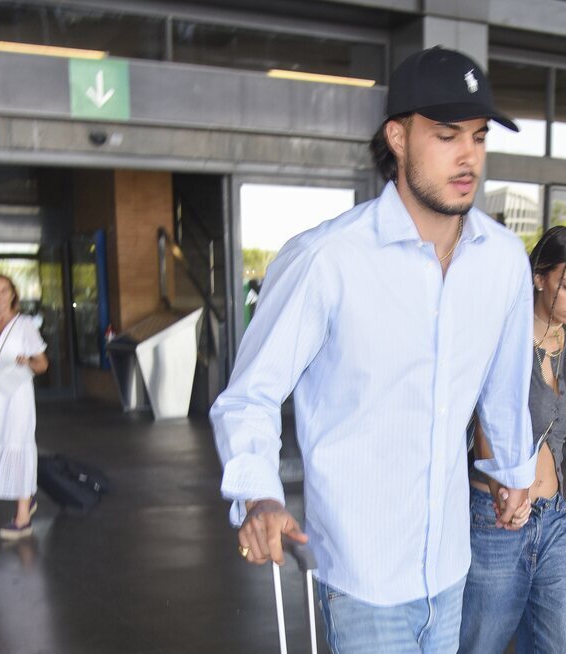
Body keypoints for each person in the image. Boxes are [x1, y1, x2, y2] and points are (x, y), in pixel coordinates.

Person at [210, 46, 537, 652]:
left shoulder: (503, 262)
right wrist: (259, 494)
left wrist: (512, 471)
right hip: (361, 576)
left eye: (478, 136)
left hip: (449, 565)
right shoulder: (326, 260)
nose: (468, 156)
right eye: (445, 135)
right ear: (398, 137)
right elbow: (250, 395)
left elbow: (503, 381)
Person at [460, 226, 566, 653]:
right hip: (496, 516)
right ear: (539, 278)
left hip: (554, 516)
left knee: (563, 646)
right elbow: (486, 422)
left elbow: (556, 432)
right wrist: (505, 492)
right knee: (480, 645)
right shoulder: (503, 340)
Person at [0, 274, 48, 540]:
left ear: (13, 294)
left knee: (17, 444)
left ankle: (23, 516)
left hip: (17, 396)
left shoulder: (24, 324)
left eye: (4, 291)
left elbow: (43, 364)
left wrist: (27, 361)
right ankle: (26, 499)